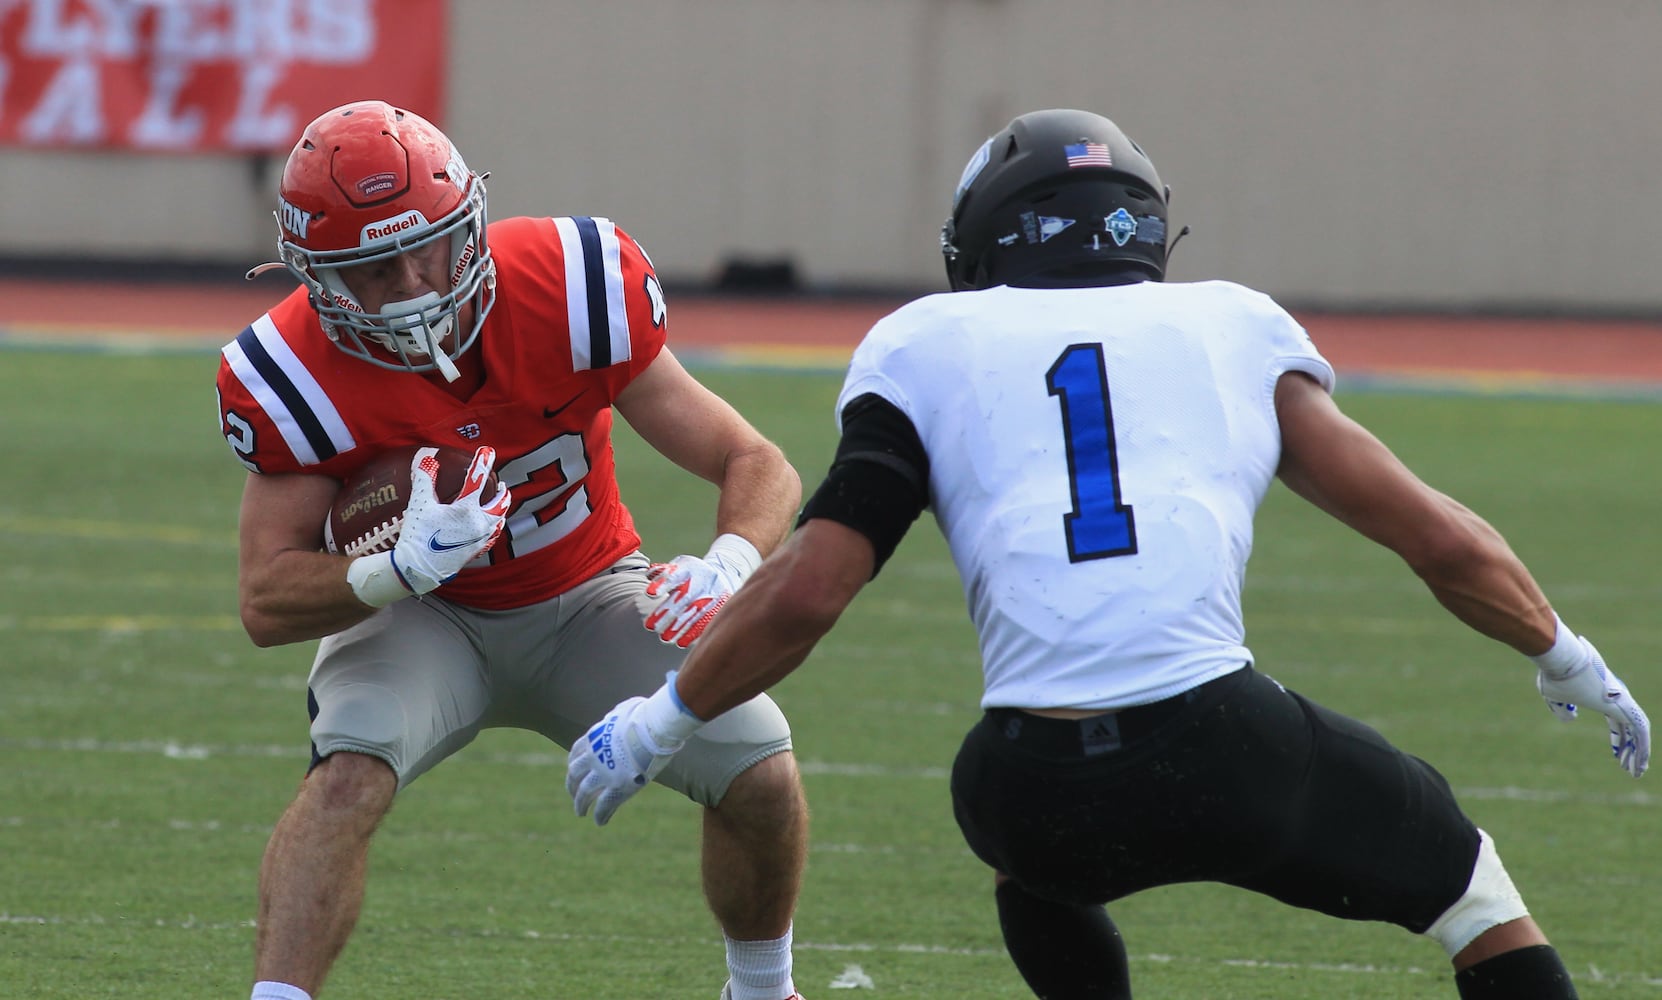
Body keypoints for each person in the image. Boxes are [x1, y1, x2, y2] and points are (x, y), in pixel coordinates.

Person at [564, 108, 1652, 999]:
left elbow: (813, 586)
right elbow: (1432, 534)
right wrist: (1561, 648)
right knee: (1474, 896)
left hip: (1025, 781)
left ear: (986, 234)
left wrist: (663, 718)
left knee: (1033, 869)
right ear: (1141, 229)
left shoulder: (925, 343)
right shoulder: (1234, 326)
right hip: (1230, 745)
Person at [214, 100, 810, 1000]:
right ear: (318, 276)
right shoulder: (291, 373)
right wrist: (398, 569)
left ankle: (762, 992)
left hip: (591, 594)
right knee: (346, 777)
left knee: (760, 770)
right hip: (426, 618)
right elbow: (265, 601)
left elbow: (754, 461)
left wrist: (727, 563)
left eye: (433, 247)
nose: (414, 283)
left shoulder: (572, 286)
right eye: (375, 267)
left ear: (472, 223)